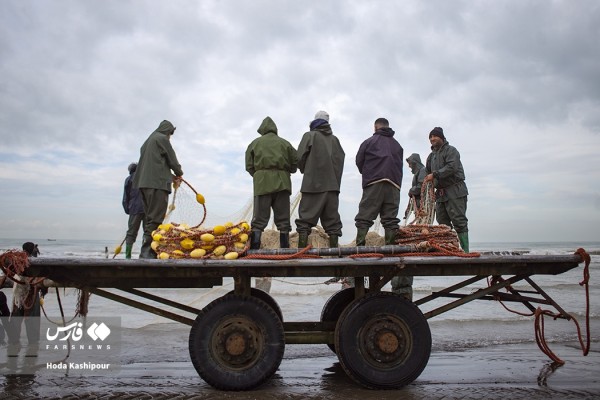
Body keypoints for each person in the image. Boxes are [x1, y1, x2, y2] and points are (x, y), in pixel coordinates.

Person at [245, 116, 298, 250]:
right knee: (283, 219)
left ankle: (255, 250)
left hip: (262, 183)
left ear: (262, 130)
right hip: (283, 183)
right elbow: (295, 164)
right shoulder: (285, 144)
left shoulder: (254, 143)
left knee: (259, 219)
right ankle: (285, 251)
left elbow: (249, 166)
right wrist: (284, 171)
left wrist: (260, 175)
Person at [133, 120, 184, 259]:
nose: (170, 137)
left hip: (143, 184)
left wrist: (171, 176)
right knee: (155, 219)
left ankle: (146, 252)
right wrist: (179, 172)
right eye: (170, 134)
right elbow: (172, 159)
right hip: (157, 185)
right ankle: (148, 253)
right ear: (168, 131)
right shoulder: (162, 138)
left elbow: (155, 165)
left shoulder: (148, 141)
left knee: (149, 219)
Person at [295, 111, 345, 248]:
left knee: (304, 222)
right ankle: (335, 257)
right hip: (332, 188)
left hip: (312, 187)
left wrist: (306, 170)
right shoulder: (335, 140)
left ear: (314, 121)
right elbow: (340, 161)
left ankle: (301, 255)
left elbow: (299, 158)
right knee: (333, 224)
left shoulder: (310, 136)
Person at [354, 117, 404, 246]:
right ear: (388, 127)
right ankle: (391, 250)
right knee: (390, 219)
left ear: (375, 127)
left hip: (374, 182)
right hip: (394, 184)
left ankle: (360, 248)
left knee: (365, 216)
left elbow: (359, 161)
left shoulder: (369, 142)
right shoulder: (398, 145)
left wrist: (368, 173)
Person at [424, 127, 469, 252]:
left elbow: (452, 167)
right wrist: (429, 184)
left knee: (459, 221)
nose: (432, 139)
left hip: (455, 190)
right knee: (443, 223)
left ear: (442, 137)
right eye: (430, 137)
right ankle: (450, 249)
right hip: (441, 193)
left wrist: (435, 175)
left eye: (435, 136)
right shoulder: (430, 156)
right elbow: (427, 172)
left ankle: (465, 251)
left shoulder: (451, 151)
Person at [8, 242, 44, 349]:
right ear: (33, 249)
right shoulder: (35, 262)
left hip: (18, 294)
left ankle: (14, 342)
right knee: (32, 321)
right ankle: (32, 345)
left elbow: (11, 273)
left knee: (15, 318)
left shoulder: (16, 260)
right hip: (31, 293)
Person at [122, 162, 145, 259]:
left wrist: (127, 209)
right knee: (148, 232)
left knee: (131, 233)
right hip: (147, 208)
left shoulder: (129, 179)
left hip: (134, 208)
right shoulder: (145, 177)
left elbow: (125, 197)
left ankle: (128, 257)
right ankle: (145, 255)